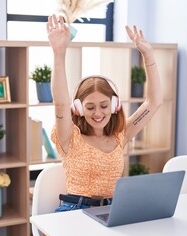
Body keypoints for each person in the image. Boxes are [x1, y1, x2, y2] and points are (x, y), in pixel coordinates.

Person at [47, 15, 163, 212]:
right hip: (74, 210)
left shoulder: (120, 136)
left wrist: (148, 56)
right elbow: (60, 103)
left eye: (103, 105)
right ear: (78, 109)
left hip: (112, 210)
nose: (98, 113)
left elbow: (154, 102)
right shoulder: (70, 137)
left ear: (115, 104)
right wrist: (59, 53)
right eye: (90, 107)